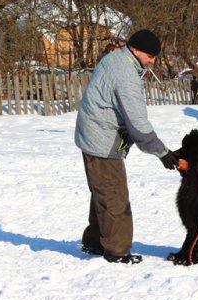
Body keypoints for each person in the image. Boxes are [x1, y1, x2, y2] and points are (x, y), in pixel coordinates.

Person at [75, 29, 179, 264]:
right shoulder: (126, 75)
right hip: (102, 140)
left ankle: (94, 241)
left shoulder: (115, 59)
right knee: (115, 198)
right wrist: (163, 153)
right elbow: (139, 125)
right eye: (150, 56)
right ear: (136, 50)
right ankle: (117, 251)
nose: (153, 61)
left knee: (102, 191)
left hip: (92, 134)